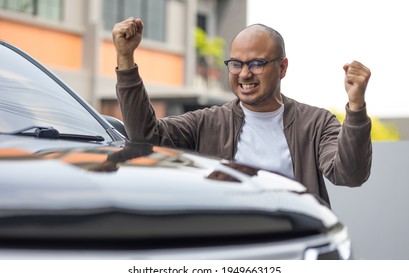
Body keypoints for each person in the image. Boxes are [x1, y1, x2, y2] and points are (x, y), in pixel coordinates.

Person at [112, 17, 372, 206]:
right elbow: (144, 138)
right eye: (236, 63)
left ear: (282, 67)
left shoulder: (316, 123)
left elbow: (350, 174)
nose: (245, 73)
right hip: (232, 246)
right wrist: (126, 61)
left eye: (257, 63)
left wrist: (356, 107)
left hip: (296, 245)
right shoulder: (208, 122)